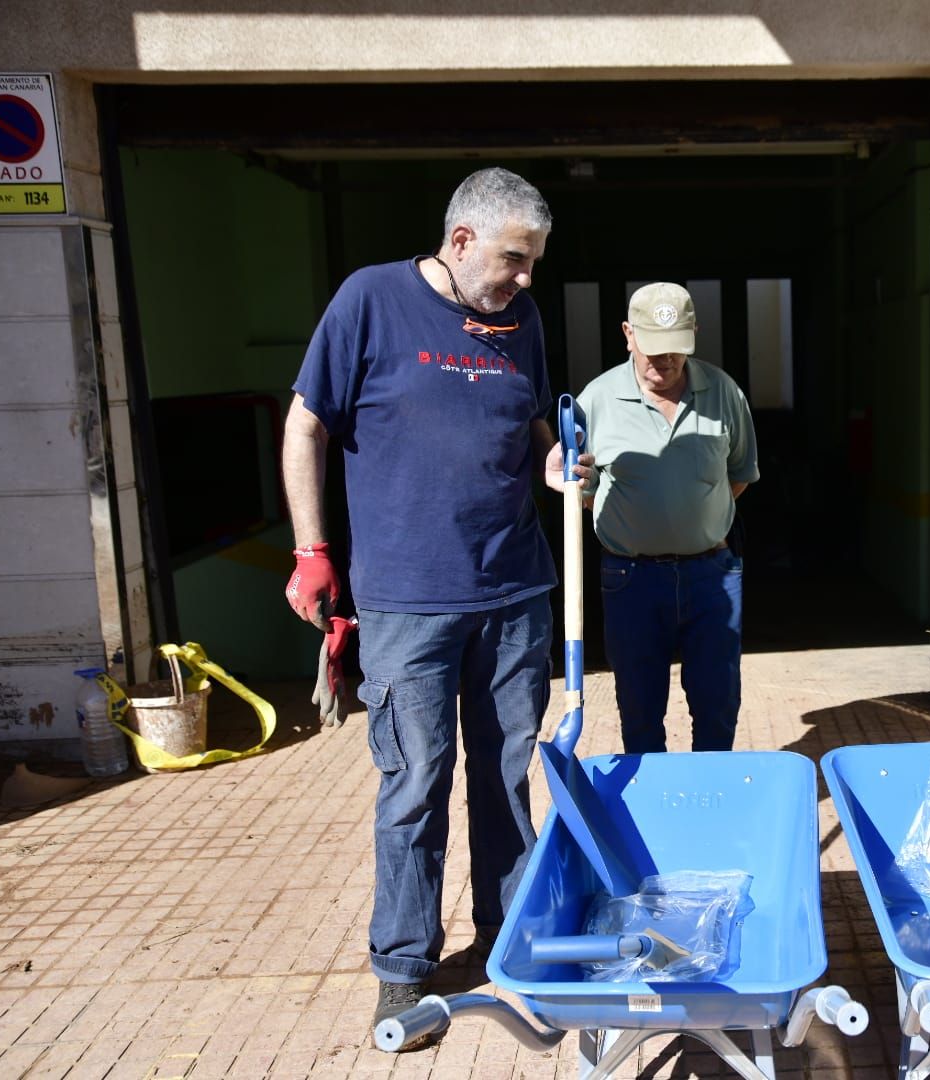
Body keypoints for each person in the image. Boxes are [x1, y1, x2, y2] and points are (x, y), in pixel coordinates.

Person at [280, 167, 591, 1044]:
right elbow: (306, 423)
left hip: (514, 592)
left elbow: (528, 423)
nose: (526, 279)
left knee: (505, 779)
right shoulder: (370, 302)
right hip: (408, 603)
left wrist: (554, 463)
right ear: (460, 243)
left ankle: (510, 944)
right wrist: (311, 551)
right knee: (416, 785)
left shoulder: (520, 321)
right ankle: (405, 970)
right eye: (514, 260)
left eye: (533, 262)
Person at [576, 282, 758, 754]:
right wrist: (640, 524)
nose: (664, 361)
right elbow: (582, 492)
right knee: (638, 708)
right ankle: (652, 813)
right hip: (630, 577)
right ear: (627, 335)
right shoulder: (595, 400)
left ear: (694, 333)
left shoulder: (723, 392)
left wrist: (691, 517)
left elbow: (739, 474)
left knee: (718, 704)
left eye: (676, 348)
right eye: (653, 349)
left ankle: (713, 806)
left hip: (711, 575)